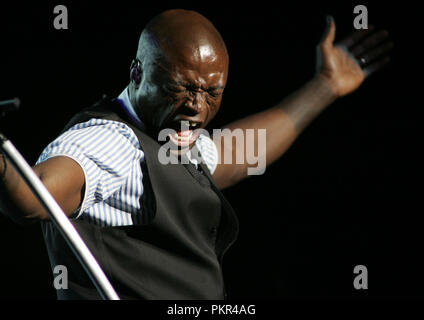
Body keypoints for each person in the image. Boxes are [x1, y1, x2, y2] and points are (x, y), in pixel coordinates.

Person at [0, 9, 391, 299]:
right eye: (182, 88)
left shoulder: (171, 137)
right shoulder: (110, 142)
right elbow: (33, 200)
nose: (197, 107)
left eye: (212, 92)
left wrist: (325, 85)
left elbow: (241, 151)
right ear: (137, 73)